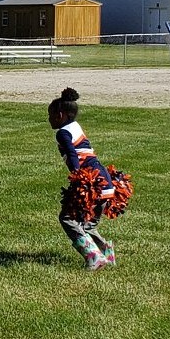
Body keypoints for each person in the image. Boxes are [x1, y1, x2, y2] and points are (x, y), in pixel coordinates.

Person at [47, 87, 131, 270]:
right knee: (87, 224)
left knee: (67, 219)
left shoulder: (62, 133)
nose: (49, 119)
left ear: (61, 115)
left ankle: (93, 256)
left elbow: (71, 153)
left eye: (51, 115)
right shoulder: (75, 126)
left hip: (91, 183)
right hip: (106, 183)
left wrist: (77, 176)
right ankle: (107, 253)